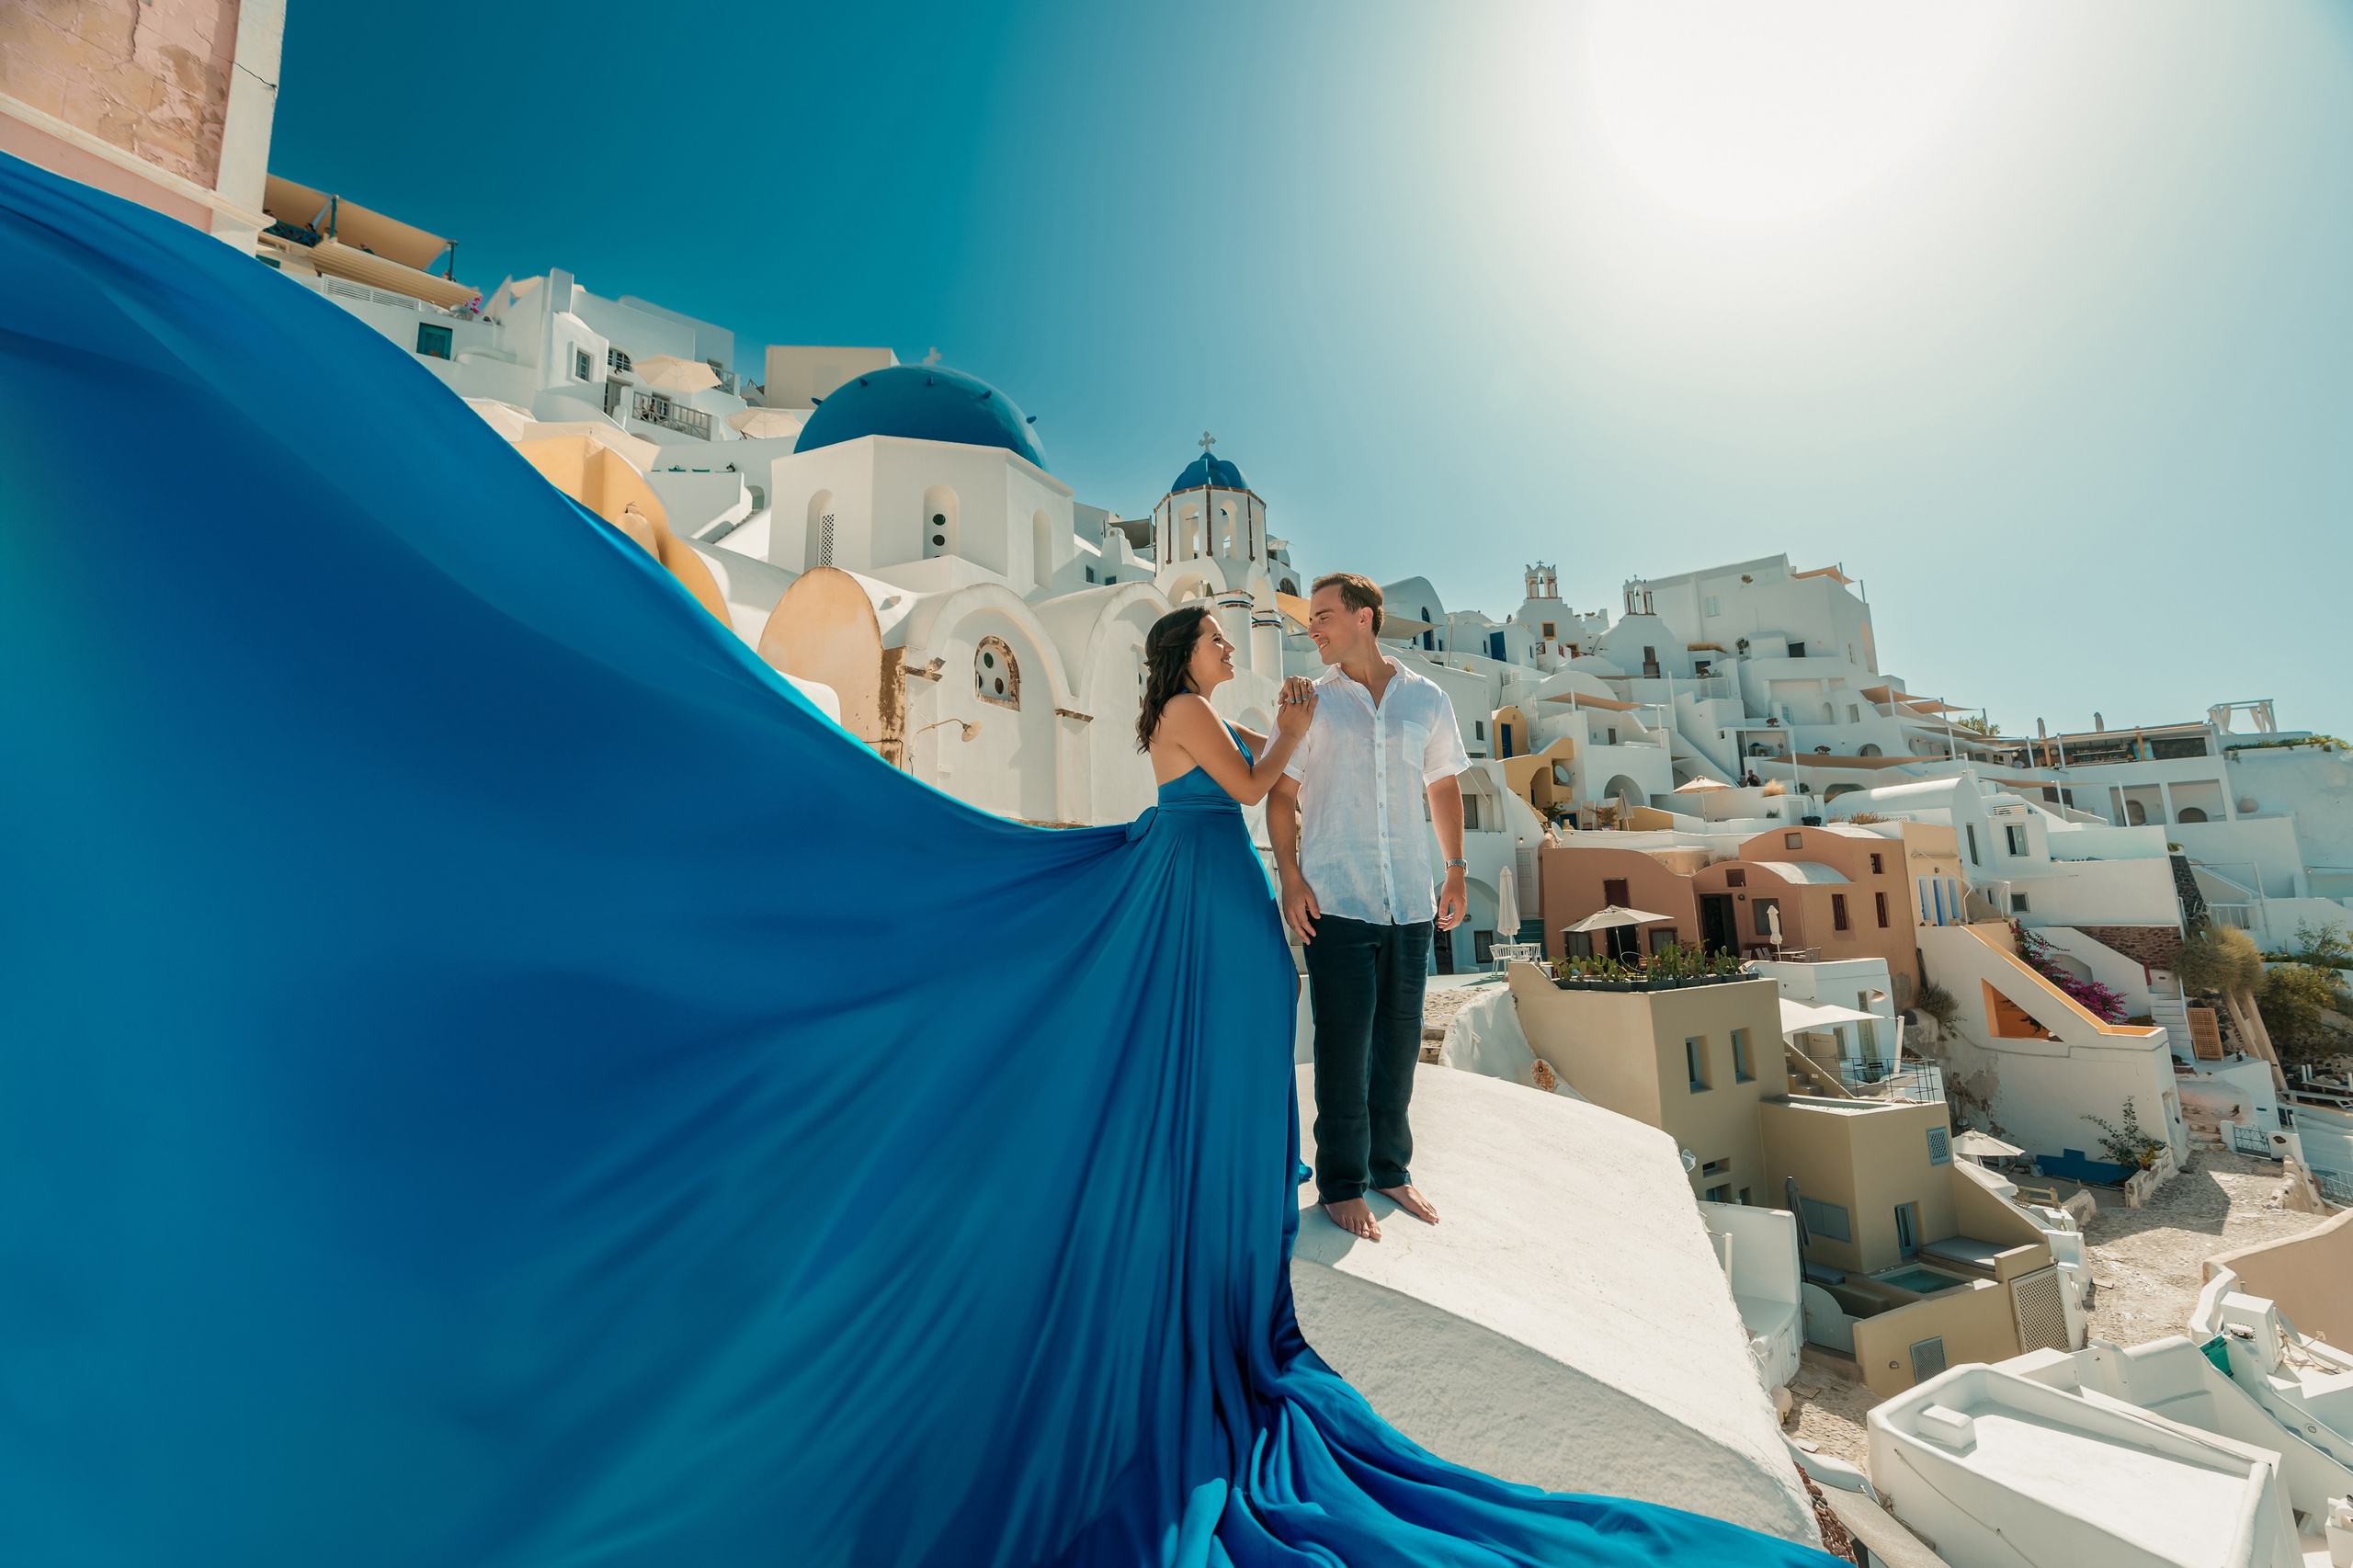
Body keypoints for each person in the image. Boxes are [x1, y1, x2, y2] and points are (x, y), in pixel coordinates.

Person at [1268, 574, 1469, 1244]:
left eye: (1323, 616)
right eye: (1309, 621)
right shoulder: (1312, 702)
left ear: (1364, 617)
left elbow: (1442, 787)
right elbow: (1279, 795)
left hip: (1410, 897)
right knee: (1343, 1046)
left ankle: (1391, 1168)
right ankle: (1342, 1182)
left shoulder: (1426, 698)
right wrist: (1291, 877)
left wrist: (1456, 869)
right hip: (1338, 897)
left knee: (1399, 1045)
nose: (1312, 629)